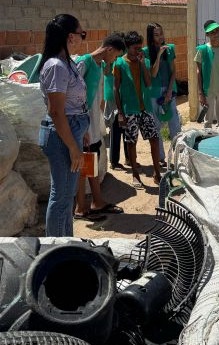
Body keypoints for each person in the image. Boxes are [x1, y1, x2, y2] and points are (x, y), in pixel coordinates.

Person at [37, 14, 89, 237]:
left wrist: (82, 133)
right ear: (70, 37)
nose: (82, 38)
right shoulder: (56, 66)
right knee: (61, 196)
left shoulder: (66, 62)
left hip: (71, 130)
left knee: (67, 195)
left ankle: (65, 242)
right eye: (81, 34)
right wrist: (72, 147)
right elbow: (56, 111)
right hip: (62, 135)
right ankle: (55, 248)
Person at [74, 33, 126, 221]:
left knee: (91, 163)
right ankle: (80, 208)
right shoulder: (83, 63)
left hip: (93, 126)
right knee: (83, 167)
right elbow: (72, 95)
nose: (115, 60)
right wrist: (81, 128)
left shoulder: (100, 64)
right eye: (115, 56)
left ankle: (97, 201)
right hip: (83, 125)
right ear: (109, 49)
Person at [113, 31, 162, 188]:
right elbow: (116, 89)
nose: (138, 51)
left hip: (145, 108)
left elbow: (148, 83)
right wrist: (120, 113)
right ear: (128, 48)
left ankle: (157, 173)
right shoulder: (119, 63)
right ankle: (135, 174)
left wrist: (142, 64)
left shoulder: (144, 61)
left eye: (140, 48)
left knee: (154, 138)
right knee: (131, 142)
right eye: (135, 48)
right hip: (129, 110)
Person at [143, 23, 181, 165]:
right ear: (151, 37)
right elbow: (153, 73)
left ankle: (179, 156)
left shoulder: (170, 49)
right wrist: (158, 54)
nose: (160, 37)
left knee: (174, 124)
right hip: (153, 92)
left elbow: (173, 72)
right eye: (157, 35)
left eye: (161, 33)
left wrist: (170, 91)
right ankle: (160, 158)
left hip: (168, 89)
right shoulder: (146, 52)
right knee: (156, 125)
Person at [195, 20, 219, 129]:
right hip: (208, 90)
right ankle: (206, 144)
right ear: (207, 34)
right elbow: (199, 72)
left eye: (217, 30)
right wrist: (200, 93)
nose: (216, 34)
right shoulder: (202, 50)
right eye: (212, 32)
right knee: (207, 121)